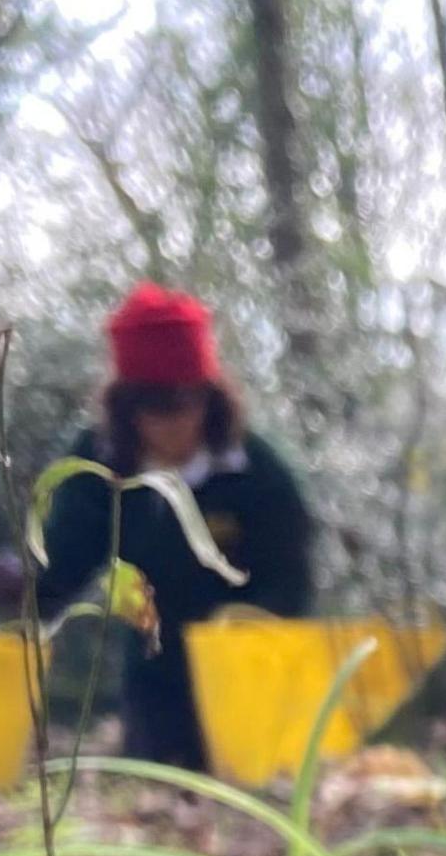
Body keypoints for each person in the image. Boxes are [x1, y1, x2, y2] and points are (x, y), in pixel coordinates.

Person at [35, 285, 316, 770]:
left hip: (245, 677)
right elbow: (65, 561)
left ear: (210, 400)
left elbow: (293, 575)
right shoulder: (99, 467)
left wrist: (252, 616)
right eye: (152, 406)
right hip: (151, 672)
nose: (171, 423)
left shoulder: (254, 472)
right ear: (126, 408)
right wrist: (22, 588)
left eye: (184, 403)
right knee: (157, 787)